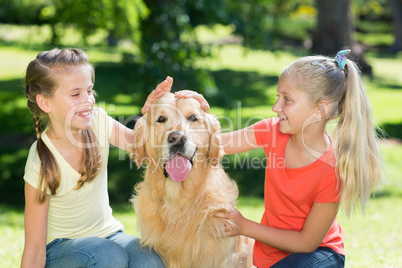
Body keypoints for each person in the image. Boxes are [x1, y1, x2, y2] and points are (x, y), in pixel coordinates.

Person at [175, 50, 384, 267]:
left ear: (319, 109)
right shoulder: (272, 132)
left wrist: (245, 227)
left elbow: (306, 243)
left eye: (287, 99)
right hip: (272, 255)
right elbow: (212, 143)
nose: (276, 107)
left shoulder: (331, 170)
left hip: (320, 256)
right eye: (278, 97)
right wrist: (196, 111)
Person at [21, 48, 172, 268]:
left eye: (89, 90)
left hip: (109, 234)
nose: (88, 100)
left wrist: (152, 112)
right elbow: (34, 250)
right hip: (60, 249)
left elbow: (144, 148)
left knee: (151, 259)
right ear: (45, 102)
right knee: (107, 255)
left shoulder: (98, 122)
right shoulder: (42, 160)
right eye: (75, 94)